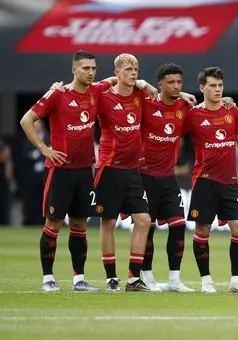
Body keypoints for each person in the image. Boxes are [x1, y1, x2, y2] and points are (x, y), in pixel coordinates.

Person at [19, 50, 116, 292]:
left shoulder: (96, 91)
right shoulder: (57, 94)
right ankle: (48, 280)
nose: (91, 72)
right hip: (60, 170)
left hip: (84, 171)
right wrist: (44, 149)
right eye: (85, 68)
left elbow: (115, 80)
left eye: (93, 68)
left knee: (80, 226)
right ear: (74, 70)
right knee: (53, 224)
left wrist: (145, 85)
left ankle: (78, 280)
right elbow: (26, 120)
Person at [183, 66, 238, 294]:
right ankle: (206, 281)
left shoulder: (231, 111)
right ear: (202, 87)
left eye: (220, 85)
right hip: (204, 181)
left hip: (230, 181)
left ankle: (235, 281)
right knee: (202, 230)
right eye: (212, 85)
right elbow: (173, 134)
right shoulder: (193, 114)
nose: (217, 89)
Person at [94, 53, 158, 292]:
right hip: (109, 168)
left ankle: (133, 278)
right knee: (108, 222)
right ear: (117, 72)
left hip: (133, 170)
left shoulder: (141, 95)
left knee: (143, 220)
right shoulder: (103, 97)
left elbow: (163, 98)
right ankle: (111, 277)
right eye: (129, 69)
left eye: (137, 69)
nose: (134, 73)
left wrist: (180, 94)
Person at [138, 63, 193, 293]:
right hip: (145, 177)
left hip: (168, 177)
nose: (176, 86)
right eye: (171, 82)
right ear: (159, 83)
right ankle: (147, 277)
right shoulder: (146, 103)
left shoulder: (185, 106)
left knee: (179, 225)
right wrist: (141, 83)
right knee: (147, 228)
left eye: (179, 82)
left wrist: (226, 103)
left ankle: (174, 279)